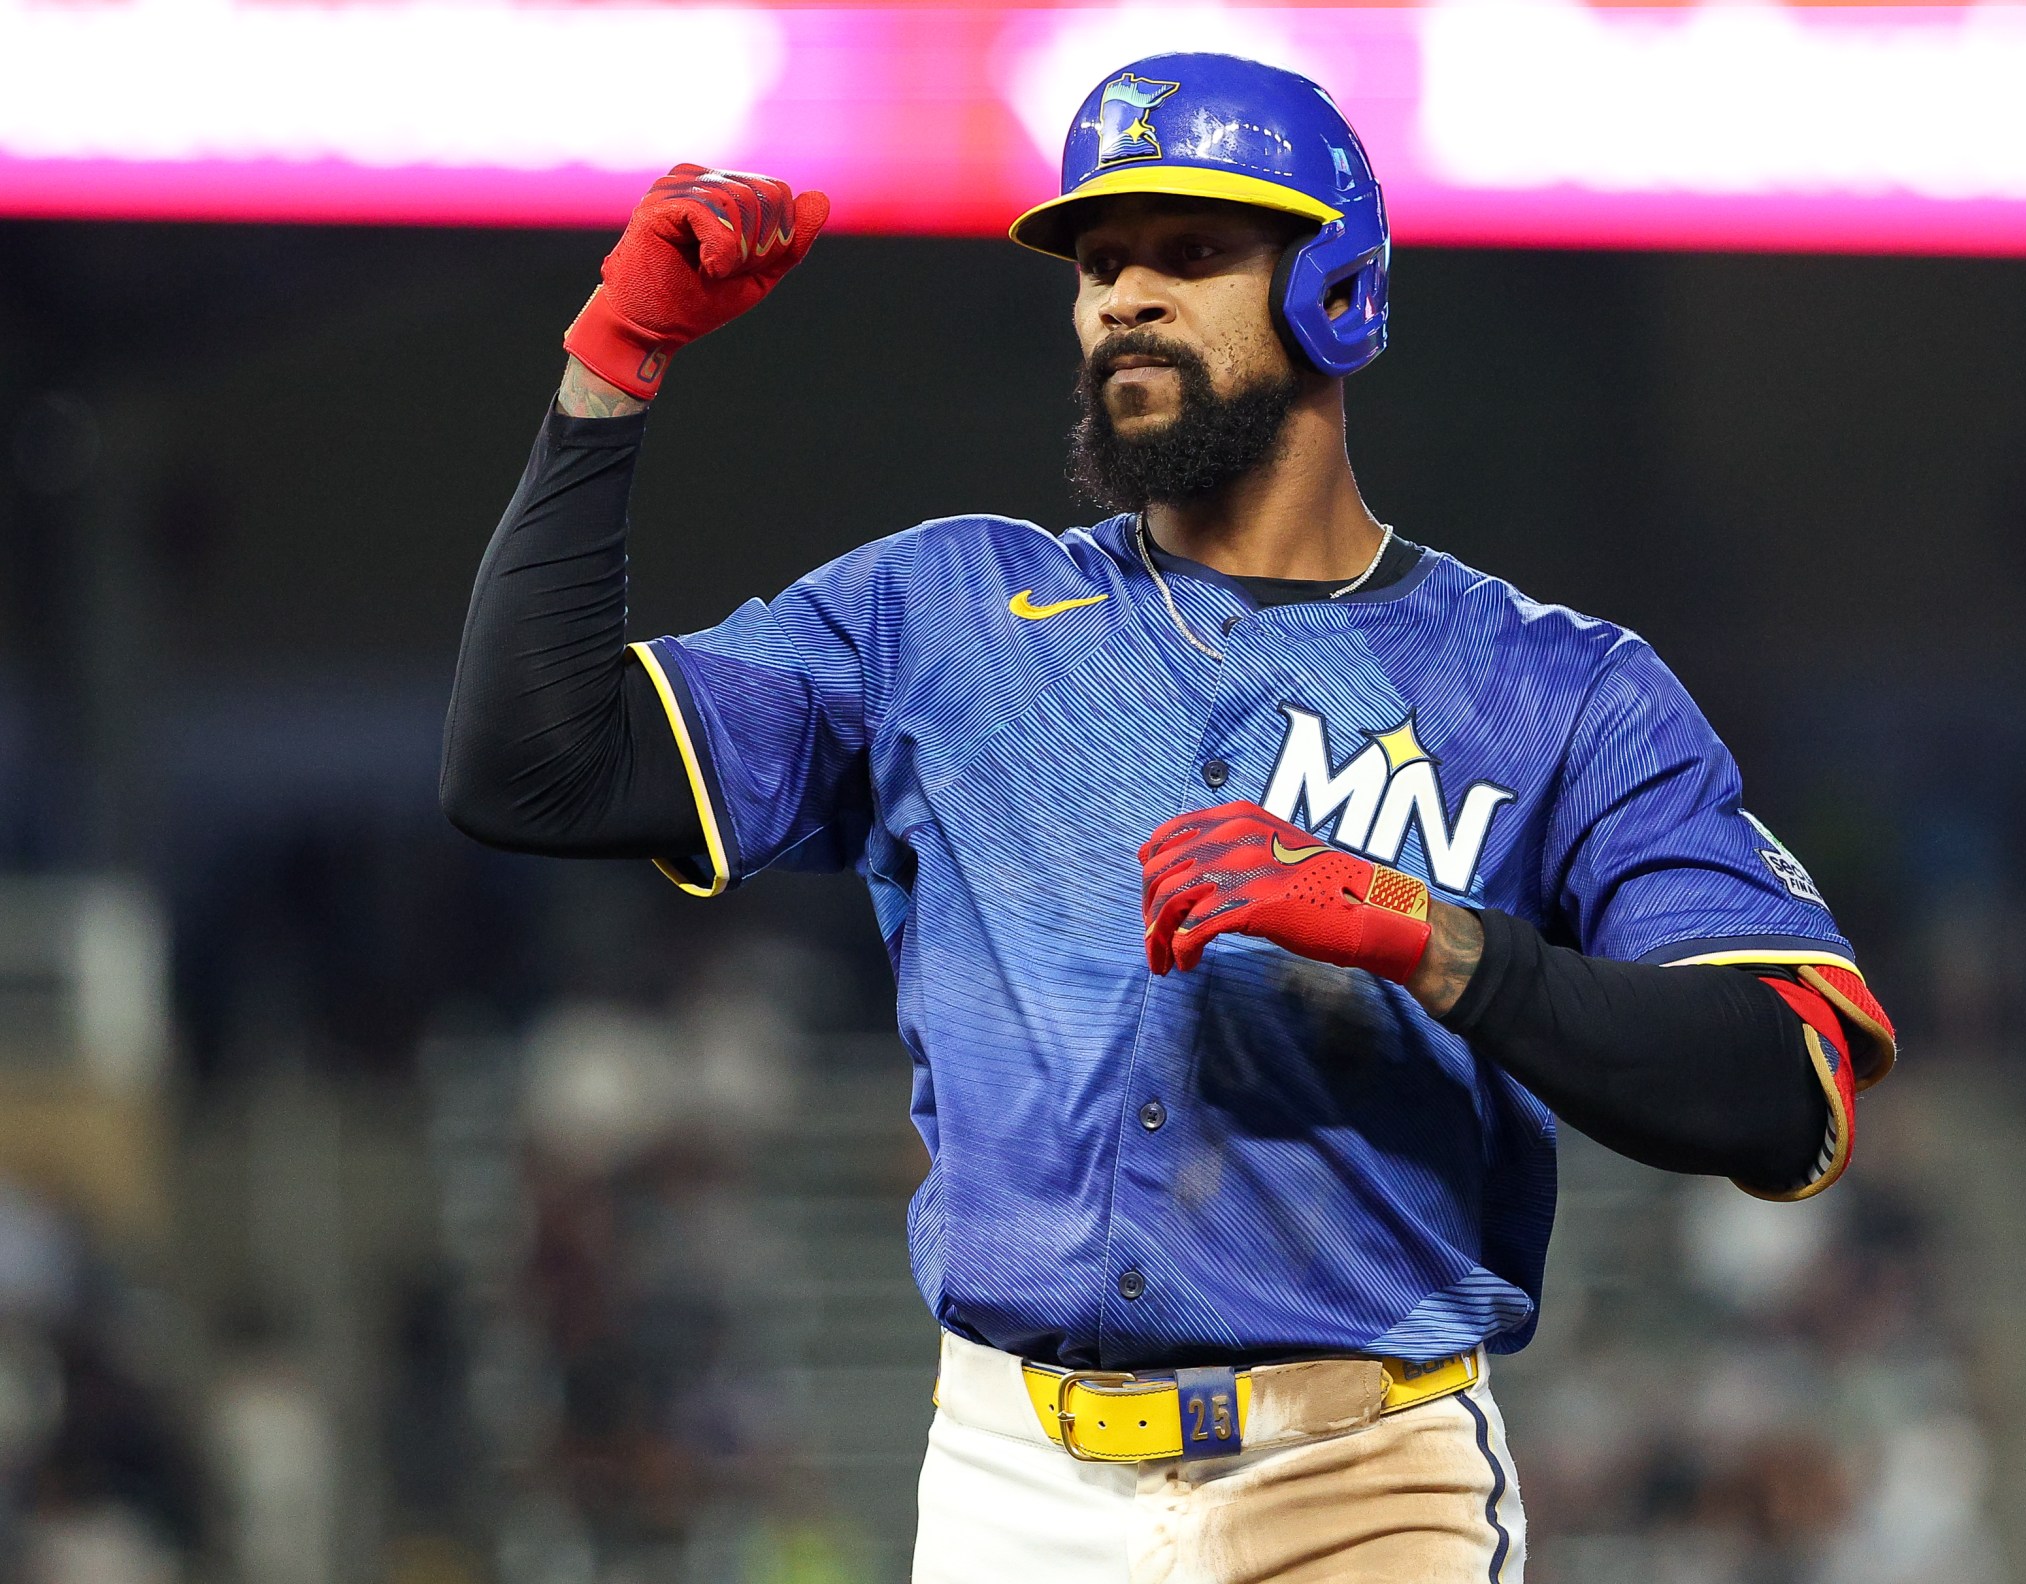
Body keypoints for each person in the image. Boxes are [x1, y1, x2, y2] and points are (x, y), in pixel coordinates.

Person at [440, 51, 1896, 1584]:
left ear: (1338, 287)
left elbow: (1791, 1093)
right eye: (1099, 260)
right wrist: (612, 368)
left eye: (1192, 252)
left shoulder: (1552, 690)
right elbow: (534, 770)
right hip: (1011, 1482)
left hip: (1361, 1479)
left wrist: (1434, 939)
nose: (1125, 295)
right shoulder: (941, 614)